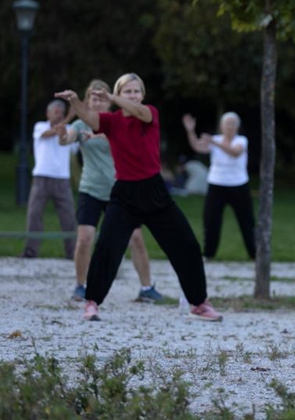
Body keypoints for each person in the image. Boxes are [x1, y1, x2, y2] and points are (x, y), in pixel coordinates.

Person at [55, 73, 221, 322]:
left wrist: (112, 97)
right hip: (124, 195)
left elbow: (139, 112)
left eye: (136, 91)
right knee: (107, 249)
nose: (133, 95)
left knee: (187, 246)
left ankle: (198, 303)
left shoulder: (149, 113)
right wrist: (76, 101)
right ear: (121, 94)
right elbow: (88, 117)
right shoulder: (111, 122)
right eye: (128, 92)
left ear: (142, 95)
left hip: (154, 193)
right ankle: (92, 302)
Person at [56, 79, 163, 303]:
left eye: (100, 97)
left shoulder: (118, 121)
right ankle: (81, 285)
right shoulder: (81, 125)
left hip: (119, 190)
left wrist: (102, 136)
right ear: (88, 100)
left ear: (108, 99)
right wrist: (62, 135)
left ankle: (146, 287)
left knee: (136, 238)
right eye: (92, 98)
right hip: (91, 188)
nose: (96, 102)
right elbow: (68, 139)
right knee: (85, 238)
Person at [182, 112, 256, 260]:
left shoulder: (241, 140)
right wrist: (190, 130)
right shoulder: (216, 140)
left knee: (247, 221)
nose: (230, 127)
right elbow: (197, 146)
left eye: (233, 124)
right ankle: (209, 253)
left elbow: (235, 152)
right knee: (211, 220)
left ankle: (255, 254)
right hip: (217, 184)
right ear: (221, 126)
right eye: (227, 123)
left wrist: (214, 143)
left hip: (238, 184)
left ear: (237, 126)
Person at [21, 100, 77, 259]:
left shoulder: (70, 129)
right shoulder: (40, 127)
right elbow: (48, 134)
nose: (59, 115)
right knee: (34, 215)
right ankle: (31, 251)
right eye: (56, 112)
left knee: (68, 218)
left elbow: (73, 146)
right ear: (48, 114)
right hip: (41, 178)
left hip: (62, 180)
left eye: (62, 112)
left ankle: (72, 253)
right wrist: (70, 117)